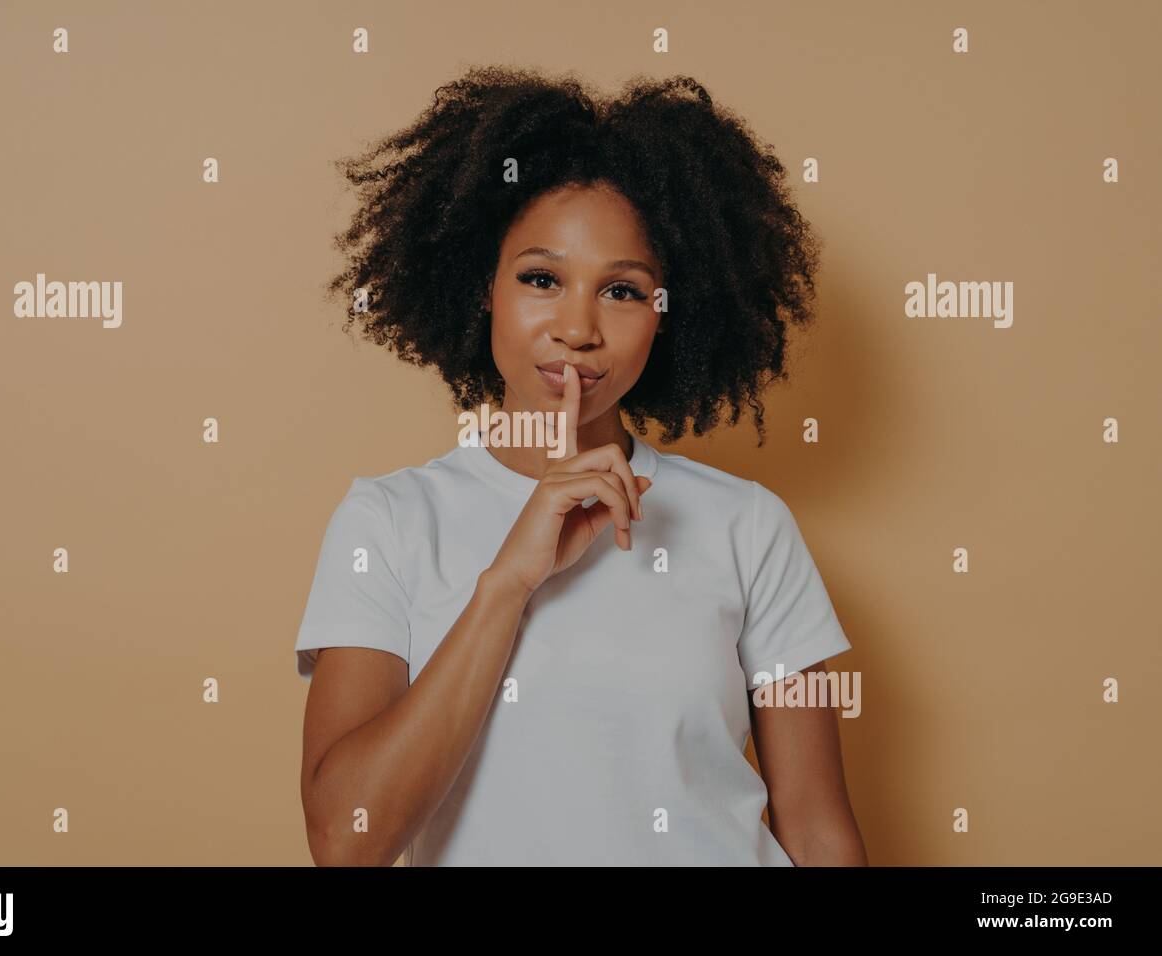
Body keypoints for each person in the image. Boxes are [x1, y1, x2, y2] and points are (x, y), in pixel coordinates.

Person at [295, 66, 867, 866]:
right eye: (540, 279)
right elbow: (343, 840)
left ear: (671, 318)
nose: (577, 327)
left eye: (624, 292)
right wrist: (508, 582)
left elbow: (816, 830)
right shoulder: (387, 522)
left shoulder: (748, 525)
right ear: (481, 289)